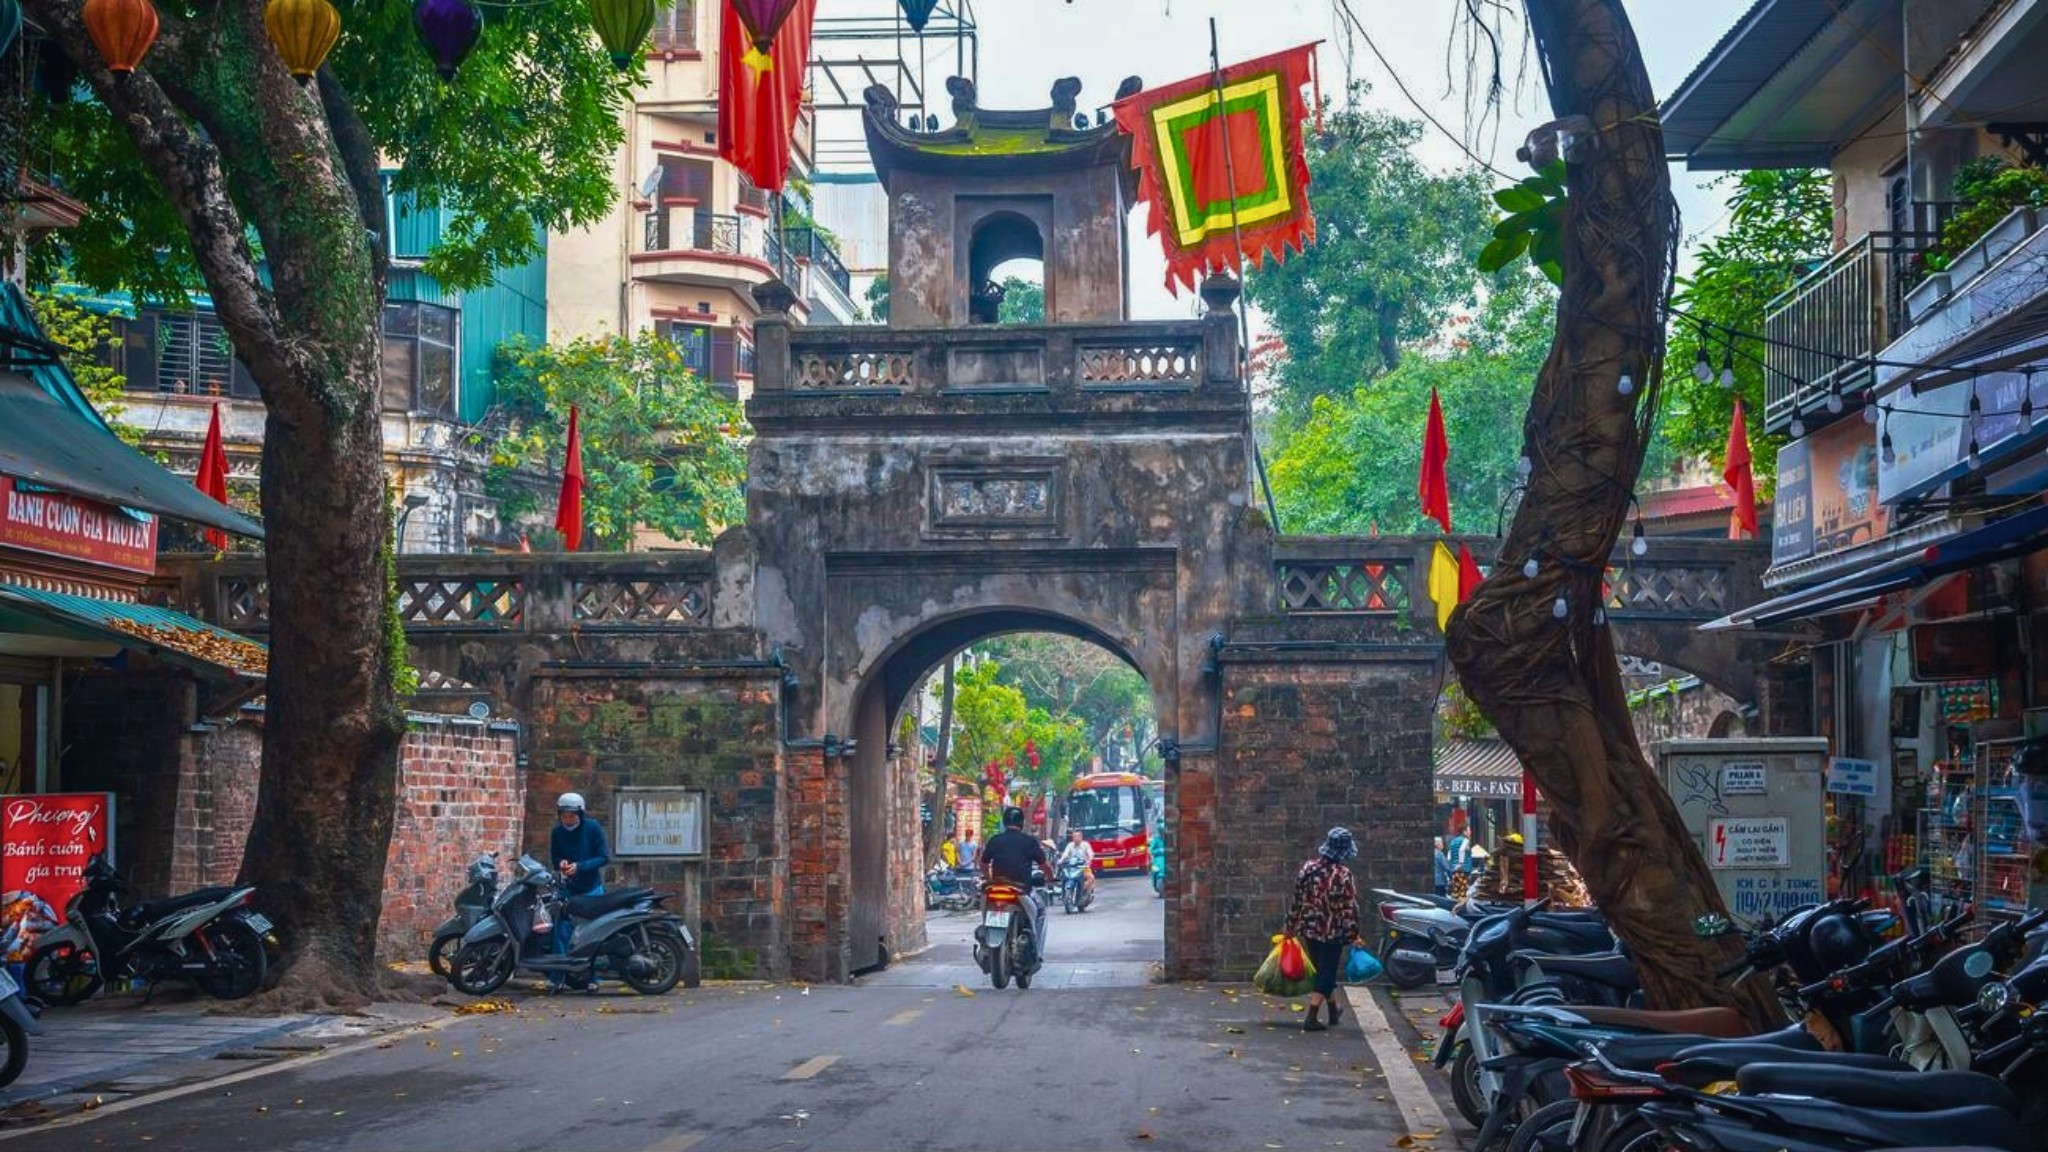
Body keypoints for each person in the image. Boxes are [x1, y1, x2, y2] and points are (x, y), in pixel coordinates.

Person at [1283, 826, 1361, 1033]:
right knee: (1326, 971)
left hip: (1309, 928)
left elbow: (1297, 900)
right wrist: (1354, 934)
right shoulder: (1344, 875)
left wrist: (1289, 925)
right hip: (1333, 930)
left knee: (1323, 971)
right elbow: (1349, 908)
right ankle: (1312, 1016)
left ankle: (1334, 1010)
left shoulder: (1308, 868)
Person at [548, 792, 610, 990]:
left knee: (592, 932)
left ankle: (593, 978)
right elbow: (555, 857)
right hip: (569, 888)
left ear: (580, 814)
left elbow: (603, 857)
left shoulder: (592, 828)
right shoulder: (557, 833)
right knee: (562, 930)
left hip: (591, 887)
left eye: (572, 815)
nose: (568, 819)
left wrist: (580, 866)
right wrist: (562, 863)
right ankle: (559, 977)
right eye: (564, 815)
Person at [980, 806, 1051, 967]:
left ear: (1005, 822)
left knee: (985, 912)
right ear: (1021, 822)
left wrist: (988, 877)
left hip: (995, 886)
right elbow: (1045, 865)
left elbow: (983, 863)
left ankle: (985, 941)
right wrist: (1051, 878)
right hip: (1021, 890)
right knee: (1041, 912)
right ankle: (1038, 954)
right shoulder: (1029, 841)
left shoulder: (994, 840)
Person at [1055, 828, 1097, 901]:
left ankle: (1086, 894)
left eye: (1077, 837)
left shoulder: (1085, 845)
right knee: (1063, 876)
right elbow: (1065, 854)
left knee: (1091, 878)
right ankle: (1063, 893)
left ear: (1081, 837)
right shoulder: (1070, 845)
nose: (1076, 839)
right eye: (1074, 837)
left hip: (1084, 867)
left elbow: (1090, 854)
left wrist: (1089, 860)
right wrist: (1061, 860)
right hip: (1072, 867)